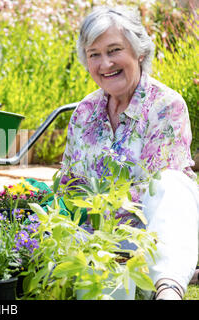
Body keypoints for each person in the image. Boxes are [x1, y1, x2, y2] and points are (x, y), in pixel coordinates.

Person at [60, 5, 199, 300]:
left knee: (171, 183)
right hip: (93, 241)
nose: (105, 63)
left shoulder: (165, 106)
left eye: (114, 50)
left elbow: (158, 194)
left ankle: (169, 289)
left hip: (148, 239)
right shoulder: (84, 112)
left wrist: (103, 216)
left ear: (139, 52)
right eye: (94, 54)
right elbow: (69, 188)